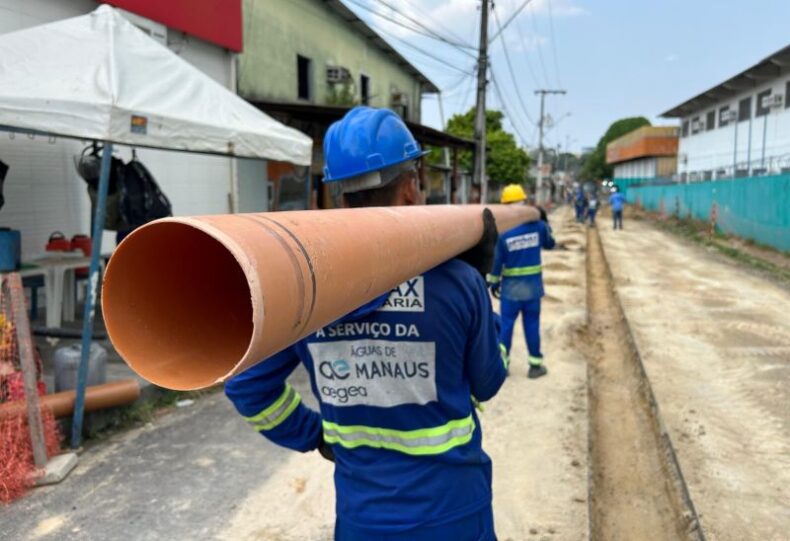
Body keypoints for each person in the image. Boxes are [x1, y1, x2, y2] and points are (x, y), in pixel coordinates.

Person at [225, 106, 507, 541]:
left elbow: (247, 387)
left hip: (363, 519)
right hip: (454, 512)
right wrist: (484, 296)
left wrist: (315, 436)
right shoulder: (457, 281)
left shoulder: (308, 291)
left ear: (340, 196)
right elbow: (488, 382)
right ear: (410, 188)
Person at [488, 184, 555, 379]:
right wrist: (545, 222)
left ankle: (503, 366)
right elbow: (550, 243)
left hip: (511, 290)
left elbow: (496, 262)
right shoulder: (538, 226)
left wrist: (494, 283)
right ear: (524, 202)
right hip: (533, 290)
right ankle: (535, 366)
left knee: (506, 327)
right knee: (532, 325)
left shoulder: (503, 231)